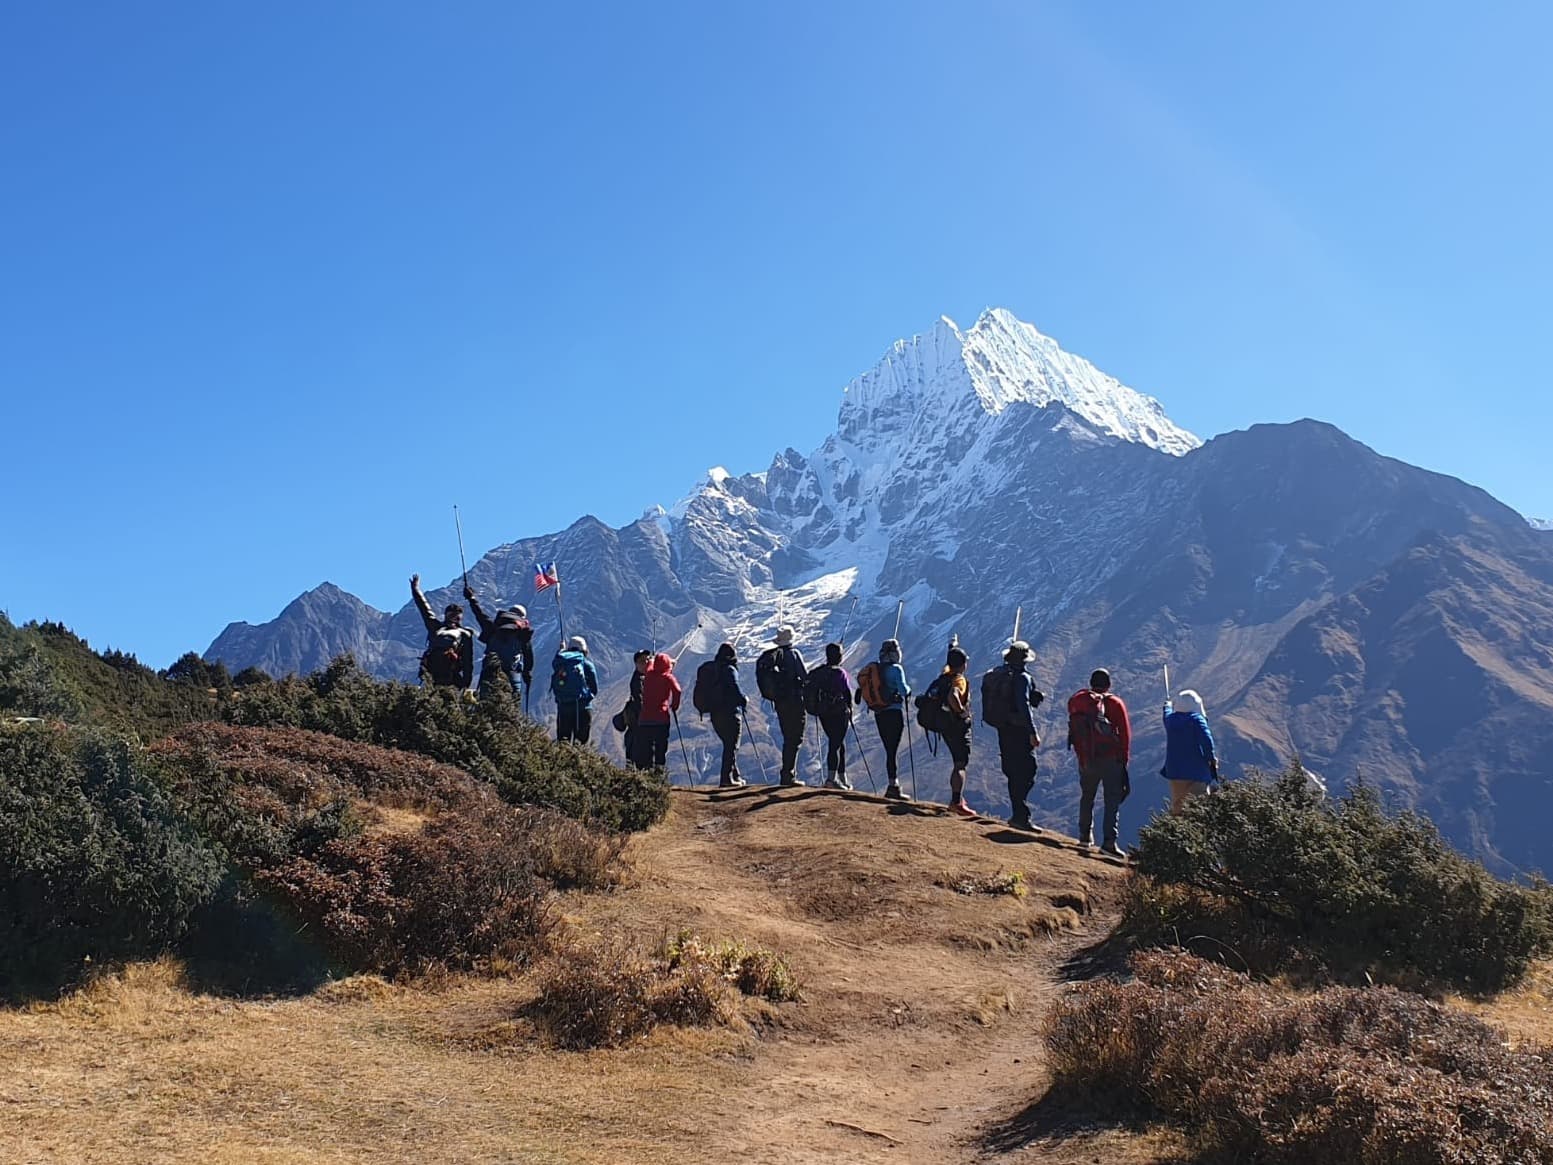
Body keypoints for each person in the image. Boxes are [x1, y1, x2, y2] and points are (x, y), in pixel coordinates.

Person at [1067, 668, 1131, 857]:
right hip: (1110, 758)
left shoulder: (1079, 701)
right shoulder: (1115, 703)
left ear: (1091, 683)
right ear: (1109, 684)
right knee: (1112, 799)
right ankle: (1109, 843)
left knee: (1087, 796)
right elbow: (1125, 734)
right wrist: (1124, 759)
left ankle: (1084, 837)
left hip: (1086, 757)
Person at [985, 641, 1044, 831]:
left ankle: (1018, 813)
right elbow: (1023, 706)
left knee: (1012, 771)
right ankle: (1021, 816)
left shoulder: (1001, 674)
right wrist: (1032, 731)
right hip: (1019, 731)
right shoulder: (1023, 678)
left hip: (1004, 728)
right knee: (1028, 771)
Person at [858, 638, 911, 800]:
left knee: (889, 749)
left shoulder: (876, 669)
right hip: (894, 712)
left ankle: (892, 784)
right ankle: (893, 786)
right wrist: (909, 690)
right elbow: (903, 690)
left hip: (879, 713)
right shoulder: (896, 669)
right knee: (893, 750)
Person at [463, 584, 534, 705]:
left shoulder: (493, 628)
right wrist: (527, 674)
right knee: (512, 704)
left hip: (490, 672)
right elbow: (529, 656)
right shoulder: (522, 632)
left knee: (486, 704)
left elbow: (480, 615)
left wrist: (471, 599)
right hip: (512, 673)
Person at [757, 627, 808, 787]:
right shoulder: (794, 654)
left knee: (787, 737)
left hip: (780, 703)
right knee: (795, 738)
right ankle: (788, 775)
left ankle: (787, 774)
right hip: (795, 702)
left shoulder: (774, 657)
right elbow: (805, 677)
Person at [410, 574, 474, 690]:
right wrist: (415, 589)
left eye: (456, 617)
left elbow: (467, 661)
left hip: (441, 674)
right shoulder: (439, 627)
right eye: (453, 616)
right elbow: (424, 608)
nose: (454, 619)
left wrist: (415, 589)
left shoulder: (461, 633)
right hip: (440, 674)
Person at [806, 643, 854, 790]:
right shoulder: (840, 673)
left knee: (838, 743)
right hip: (839, 713)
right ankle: (831, 780)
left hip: (824, 713)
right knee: (835, 745)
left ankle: (842, 778)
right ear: (839, 656)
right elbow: (847, 693)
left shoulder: (819, 673)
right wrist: (850, 710)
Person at [1163, 689, 1218, 813]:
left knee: (1178, 806)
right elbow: (1207, 740)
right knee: (1198, 805)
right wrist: (1211, 758)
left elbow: (1166, 712)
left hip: (1175, 771)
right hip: (1197, 771)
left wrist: (1167, 705)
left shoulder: (1170, 720)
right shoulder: (1196, 720)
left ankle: (1178, 824)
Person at [707, 643, 749, 788]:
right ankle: (726, 778)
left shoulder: (714, 670)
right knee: (732, 745)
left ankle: (735, 775)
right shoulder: (730, 669)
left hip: (715, 713)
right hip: (730, 712)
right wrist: (744, 699)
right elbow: (735, 688)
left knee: (728, 744)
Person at [941, 645, 975, 817]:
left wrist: (952, 647)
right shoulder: (959, 680)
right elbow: (953, 695)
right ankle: (956, 802)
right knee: (960, 764)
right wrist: (961, 711)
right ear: (963, 664)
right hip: (957, 727)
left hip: (945, 725)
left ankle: (957, 799)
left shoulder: (945, 676)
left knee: (957, 761)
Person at [633, 651, 681, 771]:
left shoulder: (648, 673)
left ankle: (646, 773)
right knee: (660, 748)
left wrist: (662, 662)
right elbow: (677, 690)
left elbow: (650, 663)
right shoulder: (668, 677)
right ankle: (659, 773)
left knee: (646, 749)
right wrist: (674, 705)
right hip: (661, 719)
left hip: (645, 719)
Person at [550, 635, 599, 744]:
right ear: (584, 649)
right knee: (580, 744)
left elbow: (555, 666)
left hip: (563, 708)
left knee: (563, 743)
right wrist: (586, 699)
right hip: (582, 709)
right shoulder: (587, 665)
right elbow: (594, 689)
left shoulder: (561, 662)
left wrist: (560, 650)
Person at [621, 649, 651, 767]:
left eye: (647, 660)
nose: (646, 663)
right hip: (639, 724)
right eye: (642, 661)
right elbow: (640, 702)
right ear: (636, 664)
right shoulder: (637, 681)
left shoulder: (645, 677)